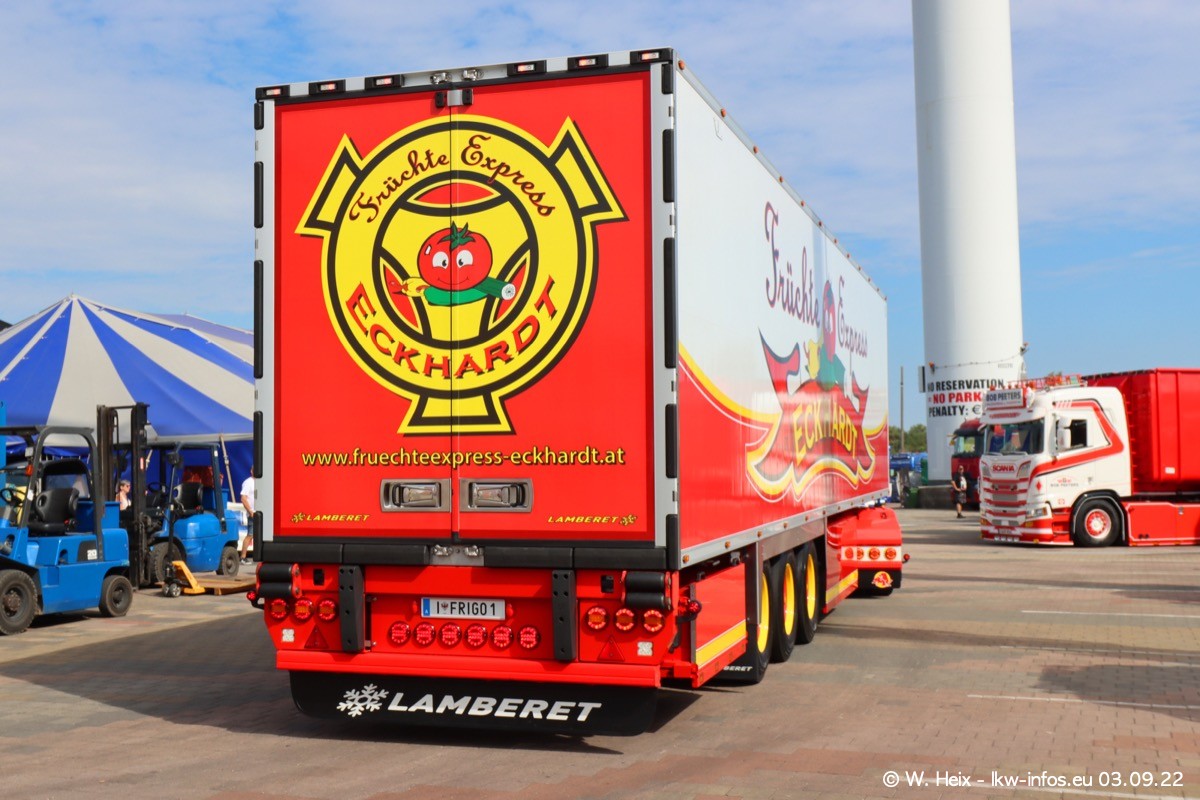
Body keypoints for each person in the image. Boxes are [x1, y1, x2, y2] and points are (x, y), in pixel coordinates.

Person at [239, 475, 255, 564]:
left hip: (261, 512)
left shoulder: (261, 482)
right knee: (250, 535)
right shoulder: (248, 482)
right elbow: (243, 498)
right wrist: (250, 511)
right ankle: (243, 557)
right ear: (251, 471)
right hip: (253, 513)